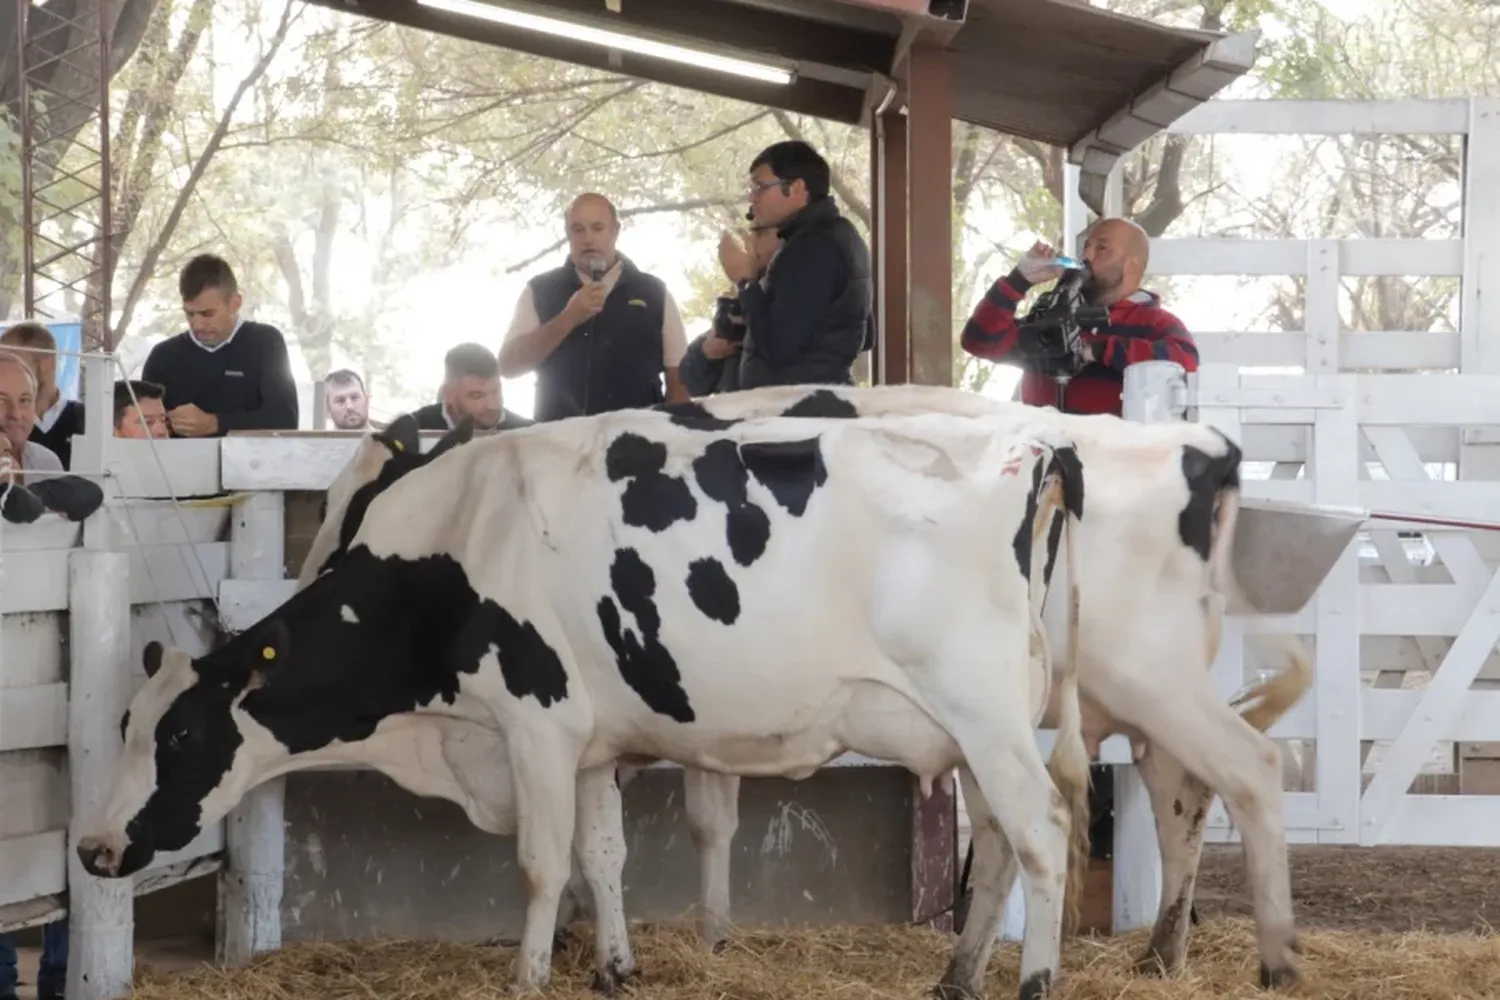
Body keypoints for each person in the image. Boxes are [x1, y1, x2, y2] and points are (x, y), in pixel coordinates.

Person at [959, 216, 1199, 416]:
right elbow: (979, 342)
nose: (1086, 257)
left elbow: (1184, 362)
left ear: (1132, 266)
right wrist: (1018, 280)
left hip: (1114, 465)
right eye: (1086, 247)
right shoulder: (1053, 319)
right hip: (1041, 462)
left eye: (1101, 249)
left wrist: (1099, 350)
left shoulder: (1155, 323)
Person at [498, 192, 689, 421]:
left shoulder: (654, 292)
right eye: (578, 230)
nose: (588, 239)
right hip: (560, 442)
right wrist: (568, 317)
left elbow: (679, 377)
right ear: (568, 234)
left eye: (597, 228)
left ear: (615, 231)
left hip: (636, 443)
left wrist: (669, 434)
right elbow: (508, 366)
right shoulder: (539, 290)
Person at [718, 139, 873, 389]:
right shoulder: (836, 236)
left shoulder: (814, 245)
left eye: (759, 186)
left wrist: (746, 281)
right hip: (811, 406)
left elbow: (780, 346)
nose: (752, 197)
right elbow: (865, 335)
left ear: (797, 188)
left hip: (801, 414)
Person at [141, 254, 299, 436]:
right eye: (190, 314)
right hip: (177, 464)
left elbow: (286, 420)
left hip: (249, 463)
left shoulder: (266, 343)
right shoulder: (163, 356)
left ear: (234, 304)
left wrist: (216, 423)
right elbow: (143, 429)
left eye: (207, 314)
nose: (197, 324)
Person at [679, 223, 783, 397]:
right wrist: (707, 354)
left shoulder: (785, 293)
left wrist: (748, 283)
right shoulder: (735, 305)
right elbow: (690, 381)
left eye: (761, 235)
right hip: (736, 411)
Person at [0, 322, 85, 469]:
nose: (6, 366)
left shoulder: (87, 420)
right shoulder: (7, 423)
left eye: (16, 360)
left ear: (46, 364)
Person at [411, 343, 531, 432]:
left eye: (496, 391)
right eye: (477, 396)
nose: (492, 405)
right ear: (448, 395)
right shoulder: (412, 431)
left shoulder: (529, 434)